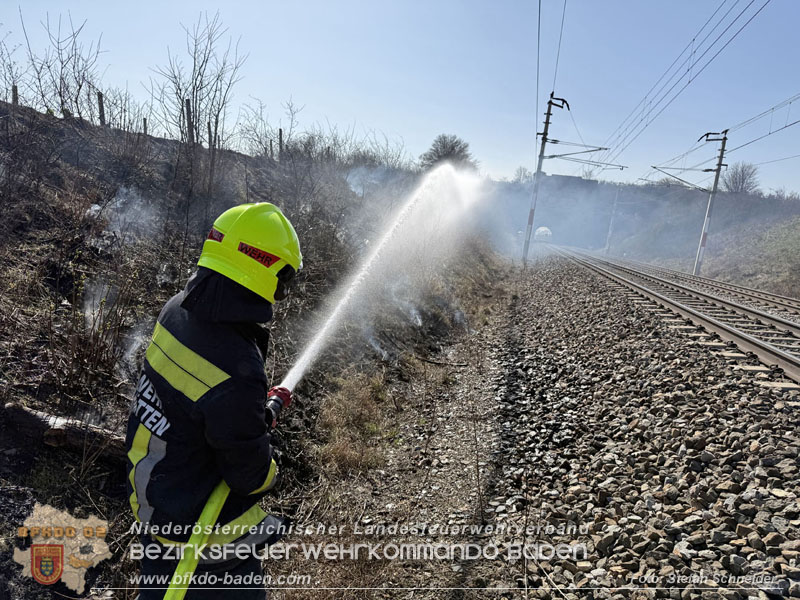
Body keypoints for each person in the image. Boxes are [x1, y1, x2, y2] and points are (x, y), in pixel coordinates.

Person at [125, 202, 302, 599]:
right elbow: (251, 477)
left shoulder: (176, 310)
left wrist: (247, 418)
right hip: (206, 547)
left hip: (156, 509)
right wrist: (268, 460)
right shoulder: (237, 366)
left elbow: (196, 406)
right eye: (284, 278)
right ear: (267, 270)